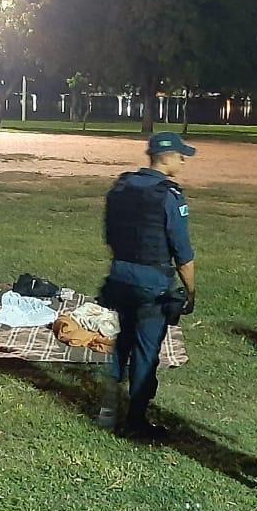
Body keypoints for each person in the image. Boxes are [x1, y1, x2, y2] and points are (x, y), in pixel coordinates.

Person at [97, 132, 198, 436]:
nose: (183, 160)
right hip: (151, 283)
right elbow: (182, 252)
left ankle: (108, 405)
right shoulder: (169, 196)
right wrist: (191, 291)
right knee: (145, 349)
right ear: (165, 157)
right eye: (180, 155)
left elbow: (110, 234)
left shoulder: (122, 186)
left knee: (123, 339)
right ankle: (136, 420)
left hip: (119, 276)